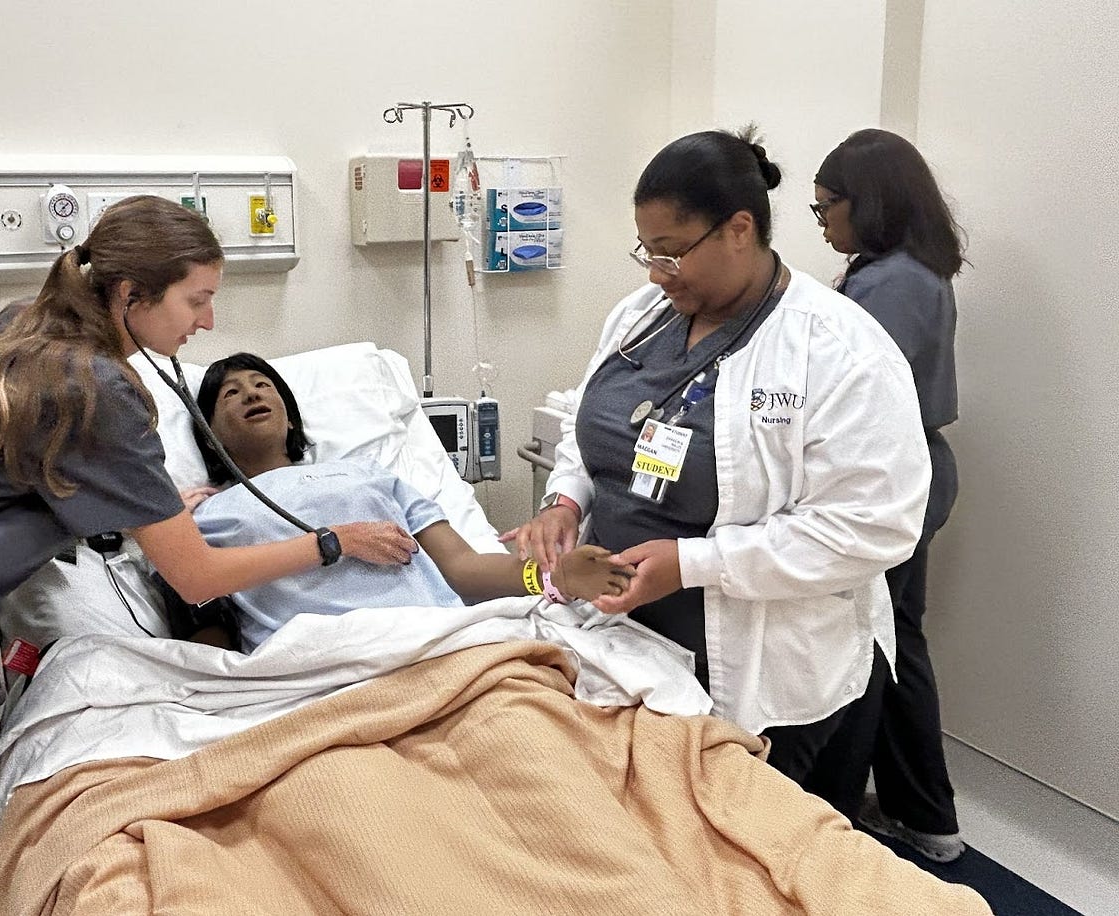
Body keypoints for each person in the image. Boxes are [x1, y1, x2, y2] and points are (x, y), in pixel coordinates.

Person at [0, 196, 417, 916]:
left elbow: (13, 476)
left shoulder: (25, 328)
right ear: (130, 294)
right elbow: (195, 577)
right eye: (196, 300)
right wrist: (332, 542)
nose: (207, 322)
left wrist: (145, 506)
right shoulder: (96, 389)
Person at [508, 127, 931, 786]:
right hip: (628, 648)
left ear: (739, 229)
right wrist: (563, 502)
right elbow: (589, 432)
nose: (656, 273)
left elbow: (872, 527)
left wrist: (692, 563)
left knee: (744, 836)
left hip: (763, 675)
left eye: (672, 253)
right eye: (647, 252)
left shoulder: (839, 350)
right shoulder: (640, 316)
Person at [180, 352, 632, 651]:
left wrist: (556, 577)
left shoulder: (367, 475)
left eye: (263, 385)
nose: (252, 394)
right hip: (316, 668)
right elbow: (203, 622)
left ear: (292, 420)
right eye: (231, 394)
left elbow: (464, 570)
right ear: (209, 433)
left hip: (433, 645)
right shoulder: (206, 515)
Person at [809, 128, 965, 862]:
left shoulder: (889, 286)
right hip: (910, 476)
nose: (822, 223)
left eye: (826, 208)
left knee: (867, 648)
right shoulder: (907, 271)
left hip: (886, 480)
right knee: (896, 639)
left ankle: (838, 816)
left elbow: (849, 402)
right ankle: (923, 814)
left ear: (865, 203)